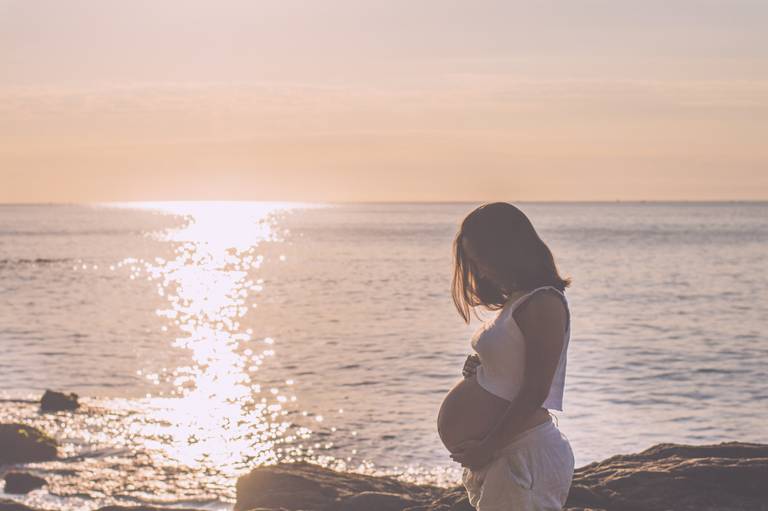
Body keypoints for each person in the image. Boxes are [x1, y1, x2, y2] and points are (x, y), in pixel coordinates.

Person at [439, 202, 575, 510]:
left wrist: (488, 447)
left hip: (522, 454)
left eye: (482, 259)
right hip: (506, 454)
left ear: (508, 250)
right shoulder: (519, 301)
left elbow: (536, 390)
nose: (480, 270)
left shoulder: (543, 303)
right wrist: (484, 368)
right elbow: (514, 373)